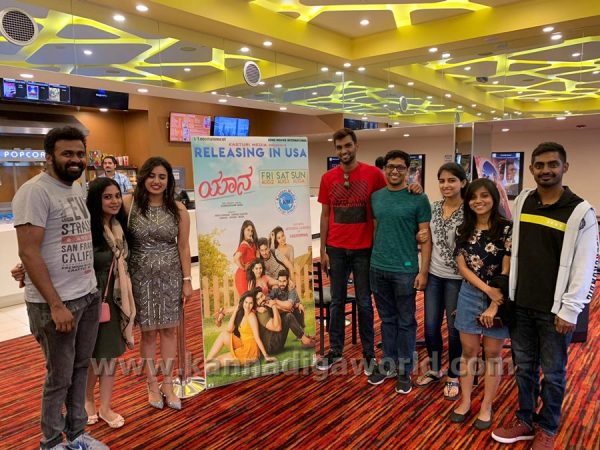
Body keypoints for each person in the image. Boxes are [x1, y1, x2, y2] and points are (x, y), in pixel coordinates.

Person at [492, 142, 598, 449]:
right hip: (521, 303)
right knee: (524, 368)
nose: (546, 170)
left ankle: (548, 427)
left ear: (565, 167)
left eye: (553, 164)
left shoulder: (581, 212)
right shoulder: (524, 200)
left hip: (555, 311)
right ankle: (525, 420)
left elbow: (586, 265)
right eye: (539, 165)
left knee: (553, 373)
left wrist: (570, 309)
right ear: (531, 169)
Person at [12, 126, 107, 449]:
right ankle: (51, 441)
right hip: (57, 304)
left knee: (80, 369)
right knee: (59, 377)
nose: (75, 159)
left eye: (80, 153)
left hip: (87, 295)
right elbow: (29, 250)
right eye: (67, 153)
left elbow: (55, 242)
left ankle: (77, 434)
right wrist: (55, 304)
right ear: (49, 156)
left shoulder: (76, 188)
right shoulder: (35, 192)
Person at [123, 156, 192, 411]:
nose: (156, 181)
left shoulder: (178, 209)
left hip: (171, 277)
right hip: (140, 278)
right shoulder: (129, 204)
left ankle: (168, 383)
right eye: (152, 176)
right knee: (149, 332)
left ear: (168, 181)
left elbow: (183, 247)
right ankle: (151, 383)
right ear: (143, 178)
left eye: (162, 177)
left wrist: (187, 280)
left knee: (169, 331)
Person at [315, 127, 387, 373]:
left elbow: (385, 204)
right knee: (337, 302)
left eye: (347, 145)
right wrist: (323, 249)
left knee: (365, 302)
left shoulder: (374, 174)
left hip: (364, 250)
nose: (343, 151)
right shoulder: (328, 178)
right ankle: (335, 351)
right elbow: (325, 215)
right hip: (336, 249)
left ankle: (369, 354)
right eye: (339, 147)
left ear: (356, 146)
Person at [367, 150, 432, 394]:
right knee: (387, 320)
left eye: (400, 167)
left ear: (408, 170)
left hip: (405, 270)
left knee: (406, 321)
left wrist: (423, 272)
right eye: (391, 166)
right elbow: (376, 231)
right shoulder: (376, 197)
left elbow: (426, 237)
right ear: (385, 168)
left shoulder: (418, 198)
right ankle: (388, 364)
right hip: (378, 267)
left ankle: (405, 369)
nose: (395, 171)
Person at [450, 178, 512, 431]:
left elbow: (507, 269)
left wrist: (495, 303)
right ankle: (465, 401)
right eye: (473, 197)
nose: (479, 201)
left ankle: (487, 405)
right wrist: (486, 290)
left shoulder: (506, 229)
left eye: (484, 195)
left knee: (493, 353)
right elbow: (462, 267)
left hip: (500, 295)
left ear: (494, 198)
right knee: (468, 351)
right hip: (469, 294)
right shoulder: (462, 229)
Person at [84, 177, 136, 429]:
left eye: (117, 195)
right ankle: (87, 400)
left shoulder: (119, 226)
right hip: (92, 301)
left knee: (111, 355)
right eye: (107, 197)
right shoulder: (87, 229)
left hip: (116, 300)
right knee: (94, 355)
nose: (115, 201)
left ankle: (105, 406)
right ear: (96, 200)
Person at [415, 163, 468, 401]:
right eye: (442, 180)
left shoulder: (470, 210)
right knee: (430, 326)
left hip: (458, 279)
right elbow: (426, 239)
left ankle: (453, 375)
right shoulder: (434, 207)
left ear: (462, 183)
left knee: (455, 330)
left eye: (452, 180)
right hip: (435, 276)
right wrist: (424, 270)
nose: (446, 185)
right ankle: (435, 369)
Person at [205, 289, 276, 373]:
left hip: (250, 352)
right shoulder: (242, 314)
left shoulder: (251, 317)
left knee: (219, 360)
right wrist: (236, 310)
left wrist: (266, 356)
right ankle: (207, 361)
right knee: (223, 334)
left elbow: (257, 338)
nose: (248, 305)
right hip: (242, 344)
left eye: (251, 303)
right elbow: (229, 329)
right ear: (242, 302)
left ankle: (206, 367)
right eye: (246, 302)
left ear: (253, 304)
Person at [267, 270, 315, 349]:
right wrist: (282, 308)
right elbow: (267, 300)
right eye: (280, 281)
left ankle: (302, 335)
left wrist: (275, 301)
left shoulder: (291, 289)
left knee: (299, 308)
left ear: (288, 280)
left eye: (284, 281)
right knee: (289, 314)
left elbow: (289, 305)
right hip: (280, 316)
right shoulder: (275, 290)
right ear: (277, 280)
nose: (282, 284)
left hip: (290, 312)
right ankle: (305, 340)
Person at [234, 220, 258, 296]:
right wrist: (243, 267)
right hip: (243, 276)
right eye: (248, 230)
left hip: (249, 275)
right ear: (243, 230)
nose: (250, 233)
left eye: (252, 231)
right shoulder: (244, 245)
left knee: (249, 300)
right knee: (246, 299)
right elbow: (235, 258)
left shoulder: (250, 243)